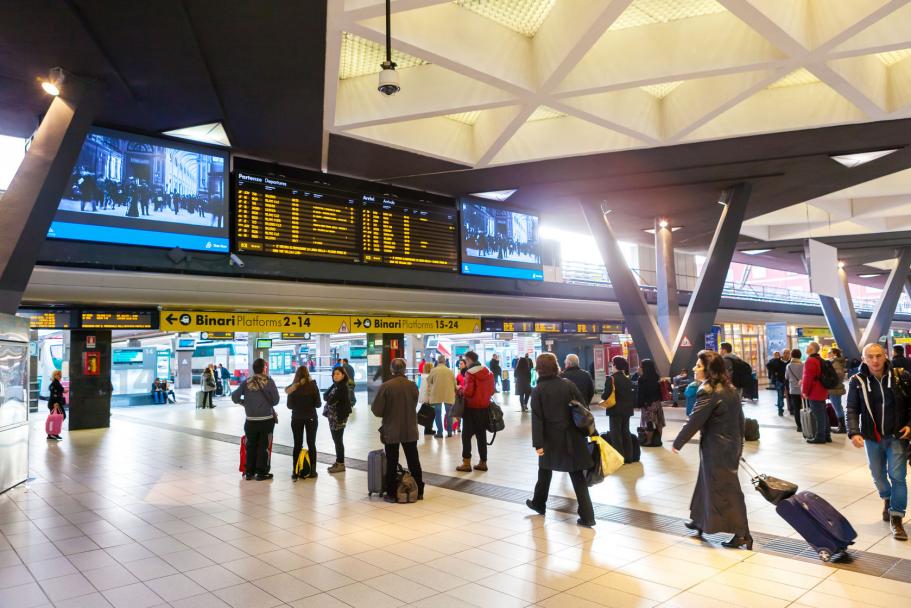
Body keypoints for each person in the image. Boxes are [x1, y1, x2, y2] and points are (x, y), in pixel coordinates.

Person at [673, 350, 751, 549]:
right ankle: (699, 521)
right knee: (705, 483)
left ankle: (743, 534)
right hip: (728, 446)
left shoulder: (708, 391)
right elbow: (740, 420)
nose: (694, 368)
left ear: (708, 370)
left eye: (698, 365)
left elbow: (695, 420)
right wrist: (739, 446)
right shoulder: (729, 388)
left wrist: (678, 442)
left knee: (728, 490)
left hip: (717, 448)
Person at [847, 343, 911, 540]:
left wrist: (910, 424)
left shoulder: (901, 377)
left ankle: (897, 517)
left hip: (897, 436)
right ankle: (887, 498)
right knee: (877, 475)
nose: (875, 361)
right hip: (871, 437)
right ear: (864, 358)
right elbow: (851, 408)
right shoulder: (857, 380)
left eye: (878, 356)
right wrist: (853, 432)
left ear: (885, 356)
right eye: (870, 357)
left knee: (897, 476)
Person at [526, 353, 595, 527]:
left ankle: (539, 504)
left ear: (539, 369)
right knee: (577, 475)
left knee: (544, 470)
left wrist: (538, 444)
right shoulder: (568, 384)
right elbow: (583, 409)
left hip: (551, 439)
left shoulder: (538, 390)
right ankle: (588, 516)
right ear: (556, 366)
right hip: (573, 437)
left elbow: (537, 419)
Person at [372, 358, 425, 502]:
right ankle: (419, 490)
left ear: (391, 369)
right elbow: (414, 403)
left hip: (391, 428)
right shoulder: (412, 386)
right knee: (413, 459)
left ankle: (391, 494)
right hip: (410, 428)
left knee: (392, 461)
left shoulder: (386, 386)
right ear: (405, 369)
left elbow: (377, 410)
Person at [231, 358, 279, 481]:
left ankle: (249, 472)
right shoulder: (269, 381)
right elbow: (276, 400)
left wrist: (244, 402)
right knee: (263, 447)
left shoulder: (247, 382)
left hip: (250, 420)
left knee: (250, 446)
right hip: (266, 420)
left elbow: (234, 397)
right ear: (264, 368)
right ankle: (261, 472)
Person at [455, 351, 495, 472]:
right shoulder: (488, 372)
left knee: (466, 436)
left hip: (471, 409)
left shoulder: (470, 373)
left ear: (469, 360)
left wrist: (460, 389)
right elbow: (492, 391)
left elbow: (468, 392)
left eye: (466, 361)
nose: (465, 364)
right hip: (484, 409)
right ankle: (483, 462)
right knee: (481, 436)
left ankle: (466, 463)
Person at [286, 366, 320, 480]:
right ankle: (312, 471)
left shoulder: (293, 388)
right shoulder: (313, 386)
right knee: (311, 444)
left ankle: (295, 471)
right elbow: (318, 404)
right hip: (311, 417)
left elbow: (289, 406)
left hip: (296, 418)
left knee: (297, 444)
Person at [602, 356, 635, 462]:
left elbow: (605, 395)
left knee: (616, 434)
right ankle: (629, 457)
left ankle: (619, 458)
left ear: (614, 365)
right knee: (626, 432)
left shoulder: (611, 379)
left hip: (615, 410)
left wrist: (603, 394)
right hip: (627, 410)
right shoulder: (627, 379)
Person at [323, 367, 352, 474]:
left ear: (343, 375)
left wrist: (330, 398)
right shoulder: (336, 385)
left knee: (338, 440)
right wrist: (330, 398)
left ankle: (341, 464)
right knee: (336, 440)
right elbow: (325, 396)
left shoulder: (342, 387)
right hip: (332, 417)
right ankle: (338, 462)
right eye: (334, 374)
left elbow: (330, 401)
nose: (335, 376)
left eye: (338, 374)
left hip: (339, 417)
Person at [802, 341, 831, 444]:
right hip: (822, 389)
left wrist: (804, 391)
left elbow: (808, 378)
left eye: (808, 346)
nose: (806, 347)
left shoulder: (810, 360)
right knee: (823, 413)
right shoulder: (820, 359)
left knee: (819, 415)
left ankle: (820, 437)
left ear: (812, 349)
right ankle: (827, 435)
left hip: (814, 391)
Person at [427, 355, 457, 437]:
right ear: (445, 361)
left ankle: (440, 432)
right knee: (449, 414)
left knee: (438, 413)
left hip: (437, 395)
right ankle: (450, 432)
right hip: (448, 394)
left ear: (437, 361)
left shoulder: (434, 370)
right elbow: (455, 384)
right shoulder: (450, 371)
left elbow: (428, 380)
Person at [637, 358, 665, 446]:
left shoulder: (642, 379)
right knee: (658, 422)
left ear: (644, 367)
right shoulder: (656, 377)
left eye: (640, 366)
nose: (639, 367)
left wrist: (639, 404)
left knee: (649, 422)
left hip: (647, 404)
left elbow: (641, 394)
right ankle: (658, 440)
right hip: (657, 403)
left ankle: (648, 441)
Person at [828, 347, 847, 434]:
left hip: (835, 388)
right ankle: (842, 425)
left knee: (837, 407)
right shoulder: (835, 362)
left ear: (835, 354)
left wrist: (831, 380)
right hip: (836, 388)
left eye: (830, 352)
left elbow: (839, 374)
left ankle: (842, 427)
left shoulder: (835, 362)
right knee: (838, 407)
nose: (828, 353)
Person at [786, 349, 804, 431]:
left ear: (792, 356)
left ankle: (799, 426)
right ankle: (807, 424)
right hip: (803, 389)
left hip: (793, 390)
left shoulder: (788, 366)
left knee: (796, 408)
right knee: (805, 407)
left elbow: (786, 377)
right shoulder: (803, 365)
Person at [766, 351, 787, 416]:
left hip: (779, 380)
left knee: (780, 395)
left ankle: (780, 408)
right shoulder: (777, 362)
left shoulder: (774, 362)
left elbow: (768, 365)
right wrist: (774, 372)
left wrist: (774, 372)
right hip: (780, 380)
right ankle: (780, 408)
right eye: (776, 354)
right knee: (780, 395)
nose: (777, 356)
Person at [47, 369, 65, 441]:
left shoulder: (55, 382)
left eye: (60, 375)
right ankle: (53, 434)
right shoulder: (55, 383)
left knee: (57, 418)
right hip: (55, 404)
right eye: (58, 375)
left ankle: (53, 433)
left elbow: (59, 391)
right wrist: (55, 403)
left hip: (56, 403)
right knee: (58, 418)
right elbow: (54, 394)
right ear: (55, 375)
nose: (60, 376)